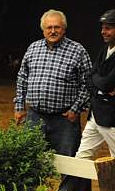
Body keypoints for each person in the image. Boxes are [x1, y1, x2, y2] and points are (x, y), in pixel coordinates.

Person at [13, 9, 91, 160]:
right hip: (34, 116)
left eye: (57, 27)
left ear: (64, 29)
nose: (53, 31)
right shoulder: (33, 48)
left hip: (65, 119)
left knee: (70, 163)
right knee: (29, 161)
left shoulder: (78, 51)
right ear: (43, 30)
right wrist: (19, 107)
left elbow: (88, 83)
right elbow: (22, 77)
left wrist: (75, 109)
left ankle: (71, 185)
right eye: (49, 28)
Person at [58, 9, 115, 191]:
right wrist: (102, 86)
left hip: (112, 119)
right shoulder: (104, 50)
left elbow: (105, 83)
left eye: (108, 28)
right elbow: (91, 79)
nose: (103, 32)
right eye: (103, 28)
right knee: (81, 157)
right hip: (96, 115)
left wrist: (100, 84)